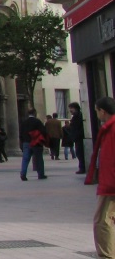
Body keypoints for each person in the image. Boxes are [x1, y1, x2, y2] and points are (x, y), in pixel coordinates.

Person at [87, 96, 115, 258]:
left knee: (102, 222)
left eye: (96, 111)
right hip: (109, 182)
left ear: (102, 111)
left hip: (111, 184)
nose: (96, 114)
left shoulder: (111, 129)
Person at [19, 108, 48, 181]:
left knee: (25, 159)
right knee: (38, 158)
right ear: (35, 113)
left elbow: (21, 133)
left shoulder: (24, 122)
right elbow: (43, 131)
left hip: (26, 142)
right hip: (36, 142)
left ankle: (23, 174)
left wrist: (22, 142)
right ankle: (40, 174)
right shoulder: (37, 122)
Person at [72, 102, 88, 174]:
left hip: (80, 137)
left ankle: (82, 168)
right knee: (78, 153)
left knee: (80, 153)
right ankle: (82, 167)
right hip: (77, 137)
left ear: (76, 108)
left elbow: (80, 127)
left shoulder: (80, 116)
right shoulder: (75, 117)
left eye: (71, 109)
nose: (70, 110)